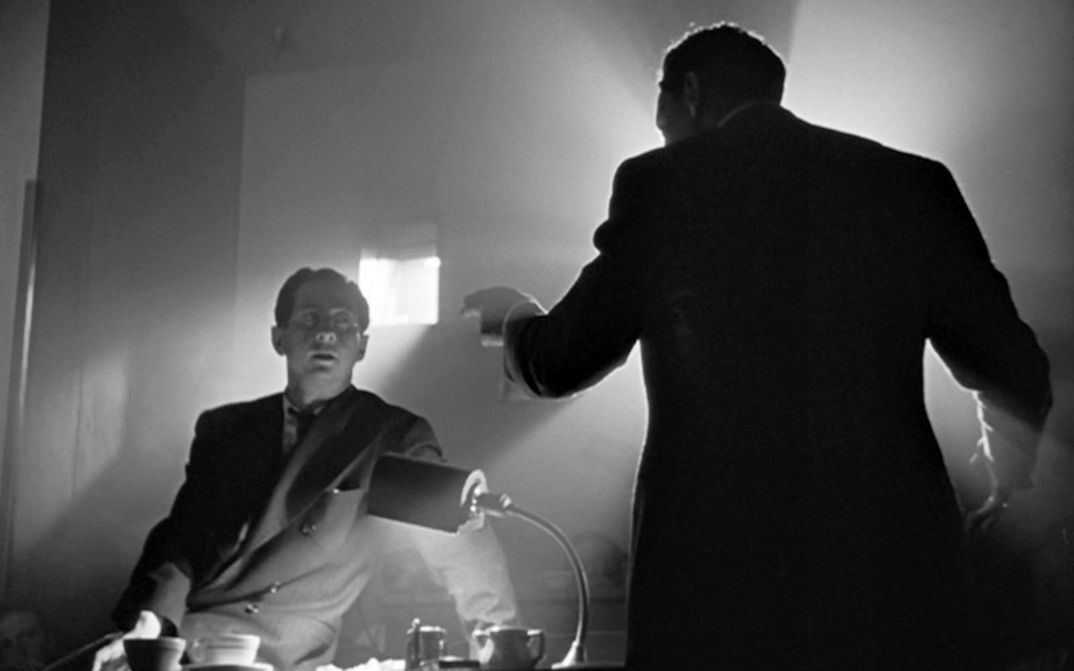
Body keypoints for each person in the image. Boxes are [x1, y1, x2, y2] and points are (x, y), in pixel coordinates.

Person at [463, 22, 1053, 669]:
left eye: (662, 116)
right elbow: (1011, 363)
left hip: (717, 578)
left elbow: (559, 360)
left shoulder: (661, 187)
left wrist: (510, 314)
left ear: (689, 91)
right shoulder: (912, 184)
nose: (662, 134)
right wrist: (1005, 469)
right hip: (888, 572)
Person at [94, 267, 518, 671]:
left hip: (273, 651)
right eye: (309, 319)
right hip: (177, 635)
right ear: (279, 338)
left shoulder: (389, 435)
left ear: (363, 345)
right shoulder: (225, 430)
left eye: (342, 321)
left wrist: (499, 640)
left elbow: (458, 541)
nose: (326, 332)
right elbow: (180, 543)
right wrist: (149, 625)